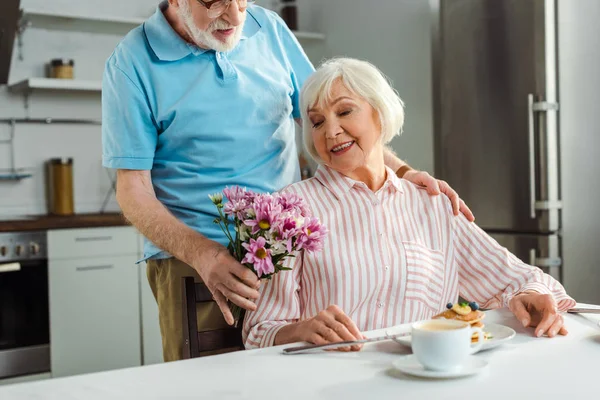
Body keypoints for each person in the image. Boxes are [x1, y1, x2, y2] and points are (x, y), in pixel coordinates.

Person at [102, 0, 472, 361]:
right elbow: (132, 189)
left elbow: (329, 124)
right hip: (198, 262)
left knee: (302, 375)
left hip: (291, 255)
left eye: (242, 0)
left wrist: (405, 173)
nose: (233, 15)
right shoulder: (133, 62)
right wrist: (204, 254)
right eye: (214, 3)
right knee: (212, 385)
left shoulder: (270, 29)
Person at [243, 58, 576, 350]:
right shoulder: (288, 211)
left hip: (425, 376)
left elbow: (521, 279)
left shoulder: (432, 205)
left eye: (345, 111)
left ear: (380, 113)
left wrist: (527, 295)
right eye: (316, 122)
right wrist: (300, 330)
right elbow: (259, 331)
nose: (331, 131)